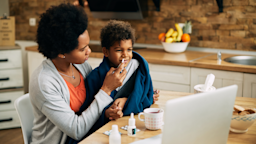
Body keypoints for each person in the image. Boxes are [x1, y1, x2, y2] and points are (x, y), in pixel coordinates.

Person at [29, 4, 127, 144]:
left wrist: (113, 107)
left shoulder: (81, 67)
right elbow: (76, 130)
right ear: (61, 52)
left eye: (88, 45)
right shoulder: (44, 82)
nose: (89, 51)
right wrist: (106, 89)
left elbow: (92, 105)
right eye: (82, 49)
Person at [66, 20, 160, 143]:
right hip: (107, 134)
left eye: (129, 49)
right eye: (119, 50)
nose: (125, 55)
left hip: (132, 128)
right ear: (106, 52)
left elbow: (146, 99)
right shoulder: (95, 77)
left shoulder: (140, 68)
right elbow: (87, 113)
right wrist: (106, 113)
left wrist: (126, 100)